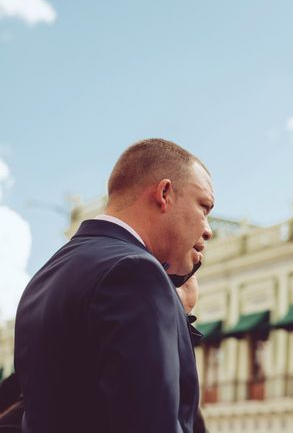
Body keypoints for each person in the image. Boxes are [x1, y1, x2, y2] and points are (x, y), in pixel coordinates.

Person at [14, 139, 214, 433]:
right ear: (165, 193)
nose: (208, 230)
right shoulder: (136, 272)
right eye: (204, 207)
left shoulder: (48, 274)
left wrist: (174, 311)